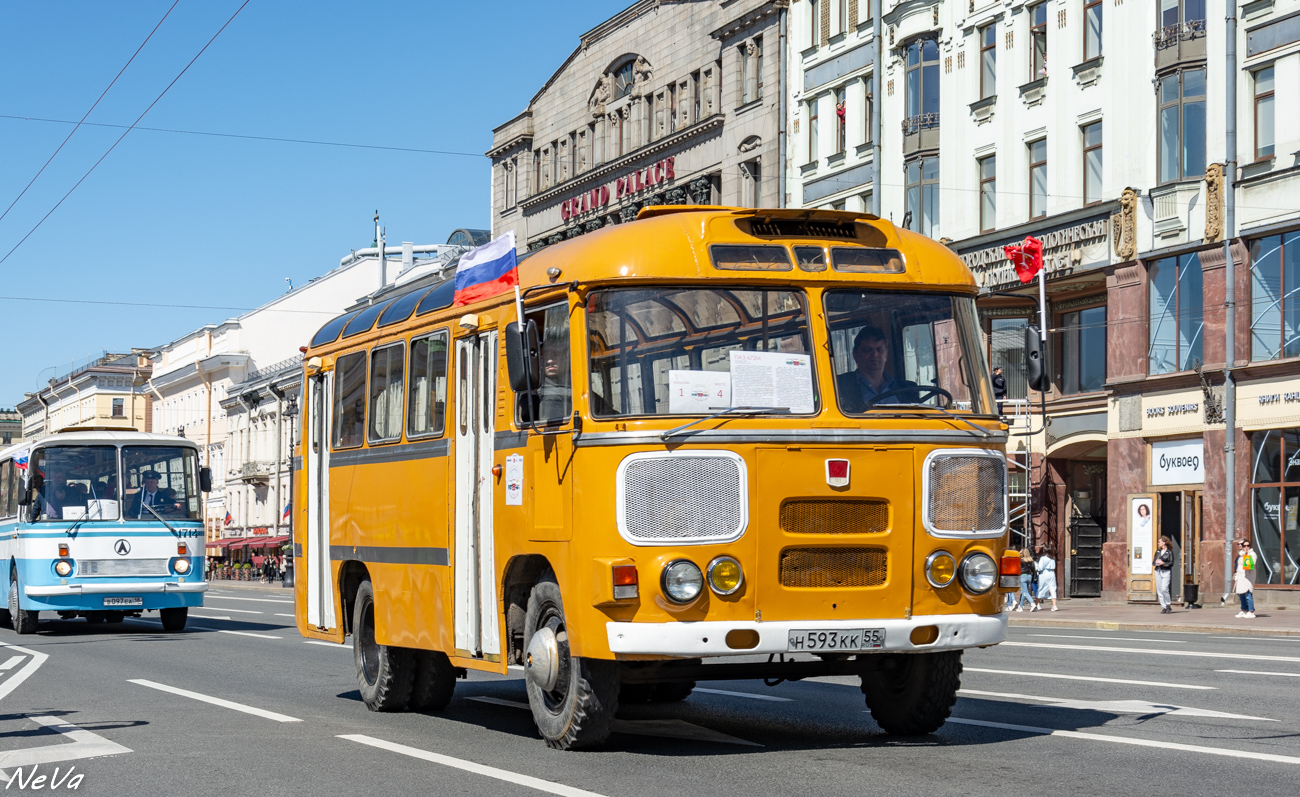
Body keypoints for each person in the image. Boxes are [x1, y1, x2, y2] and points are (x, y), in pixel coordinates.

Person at [835, 326, 920, 413]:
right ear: (855, 354)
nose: (875, 354)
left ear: (886, 355)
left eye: (879, 350)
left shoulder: (908, 388)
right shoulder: (839, 386)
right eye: (868, 350)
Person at [1234, 538, 1258, 619]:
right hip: (1241, 577)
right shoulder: (1240, 554)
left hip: (1248, 577)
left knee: (1248, 594)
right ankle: (1243, 610)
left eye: (1248, 546)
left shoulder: (1252, 554)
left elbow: (1250, 564)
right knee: (1241, 595)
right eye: (1244, 546)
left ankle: (1251, 611)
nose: (1246, 547)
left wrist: (1246, 555)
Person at [1153, 535, 1175, 614]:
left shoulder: (1169, 552)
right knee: (1159, 590)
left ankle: (1168, 604)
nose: (1158, 543)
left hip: (1166, 571)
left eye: (1159, 542)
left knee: (1164, 588)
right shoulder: (1158, 552)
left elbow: (1171, 563)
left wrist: (1163, 563)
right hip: (1158, 571)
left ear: (1164, 542)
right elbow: (1153, 562)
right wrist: (1156, 562)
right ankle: (1164, 607)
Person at [1034, 546, 1058, 612]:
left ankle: (1036, 604)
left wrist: (1037, 567)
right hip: (1052, 573)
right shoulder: (1052, 558)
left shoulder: (1043, 558)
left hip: (1044, 573)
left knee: (1041, 588)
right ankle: (1054, 605)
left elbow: (1040, 568)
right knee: (1052, 588)